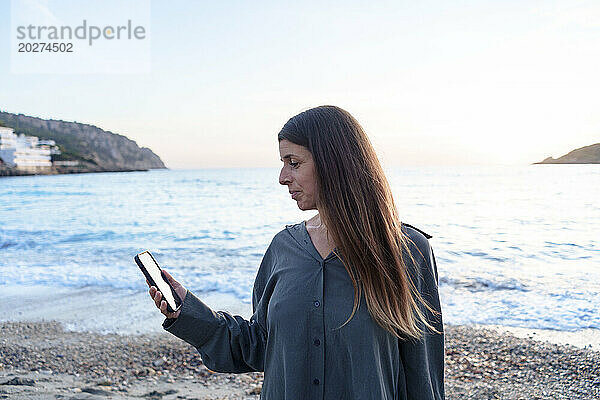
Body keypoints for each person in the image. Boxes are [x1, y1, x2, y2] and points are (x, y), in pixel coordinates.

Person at [148, 105, 445, 399]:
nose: (282, 177)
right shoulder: (283, 248)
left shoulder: (408, 251)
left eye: (294, 162)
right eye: (283, 162)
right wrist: (188, 311)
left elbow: (423, 378)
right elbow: (259, 344)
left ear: (334, 162)